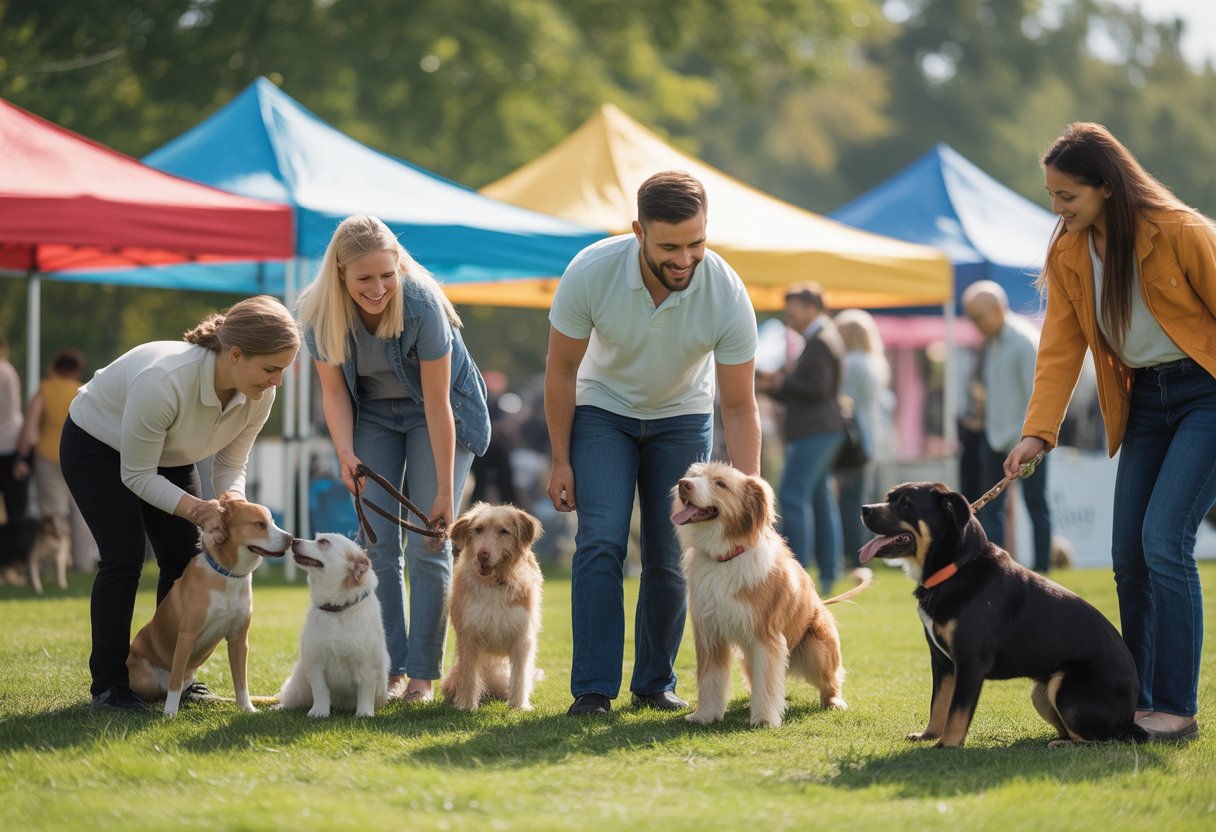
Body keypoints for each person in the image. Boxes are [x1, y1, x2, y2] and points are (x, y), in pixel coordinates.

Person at [1005, 122, 1216, 742]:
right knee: (1128, 558)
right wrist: (1037, 434)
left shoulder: (1181, 232)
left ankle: (1175, 708)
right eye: (1051, 195)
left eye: (1068, 196)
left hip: (1206, 393)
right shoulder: (1067, 252)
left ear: (1108, 188)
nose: (1057, 209)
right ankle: (1138, 701)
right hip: (1143, 404)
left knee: (1164, 541)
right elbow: (1060, 350)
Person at [546, 170, 761, 717]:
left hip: (683, 416)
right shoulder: (590, 271)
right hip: (602, 412)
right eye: (670, 246)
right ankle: (593, 689)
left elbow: (738, 405)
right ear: (638, 231)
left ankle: (654, 683)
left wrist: (750, 496)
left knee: (670, 553)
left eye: (697, 242)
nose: (685, 258)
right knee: (601, 543)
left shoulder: (727, 293)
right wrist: (561, 458)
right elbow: (562, 370)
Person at [60, 296, 299, 711]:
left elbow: (231, 465)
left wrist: (232, 505)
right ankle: (110, 685)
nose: (277, 380)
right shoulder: (165, 380)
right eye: (271, 369)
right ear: (236, 354)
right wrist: (197, 509)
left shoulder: (259, 392)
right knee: (125, 556)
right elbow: (135, 475)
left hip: (167, 454)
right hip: (96, 445)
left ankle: (177, 676)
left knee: (181, 555)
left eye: (283, 370)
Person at [296, 214, 490, 704]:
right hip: (374, 416)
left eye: (388, 274)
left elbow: (438, 404)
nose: (379, 287)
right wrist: (344, 452)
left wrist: (446, 493)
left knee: (428, 542)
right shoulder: (319, 314)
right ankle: (392, 669)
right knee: (377, 543)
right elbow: (335, 394)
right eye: (365, 278)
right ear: (341, 274)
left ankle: (423, 676)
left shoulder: (421, 302)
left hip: (439, 413)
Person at [756, 284, 846, 591]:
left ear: (810, 308)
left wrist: (781, 381)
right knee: (820, 501)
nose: (788, 316)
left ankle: (798, 572)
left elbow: (816, 389)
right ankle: (828, 573)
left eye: (791, 309)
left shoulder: (819, 340)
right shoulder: (823, 336)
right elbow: (811, 388)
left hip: (814, 431)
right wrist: (779, 385)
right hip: (822, 430)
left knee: (793, 497)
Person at [962, 280, 1053, 572]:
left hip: (1028, 440)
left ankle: (1043, 569)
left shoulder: (1024, 342)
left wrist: (1033, 437)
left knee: (1036, 505)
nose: (975, 325)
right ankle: (994, 569)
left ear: (998, 309)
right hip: (995, 437)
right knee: (991, 510)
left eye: (978, 317)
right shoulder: (992, 343)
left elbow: (1037, 394)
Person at [14, 348, 87, 564]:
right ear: (76, 370)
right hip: (79, 456)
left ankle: (55, 563)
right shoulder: (82, 389)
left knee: (53, 514)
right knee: (82, 513)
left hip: (47, 456)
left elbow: (30, 426)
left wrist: (21, 457)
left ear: (56, 366)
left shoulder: (45, 388)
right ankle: (83, 563)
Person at [833, 308, 890, 576]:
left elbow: (843, 400)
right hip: (872, 436)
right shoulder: (874, 361)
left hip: (854, 440)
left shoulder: (852, 362)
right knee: (858, 497)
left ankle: (854, 558)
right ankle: (861, 554)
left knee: (850, 501)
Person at [0, 333, 33, 584]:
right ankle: (14, 567)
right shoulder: (7, 371)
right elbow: (13, 415)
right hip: (10, 448)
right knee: (16, 514)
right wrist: (22, 456)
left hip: (9, 446)